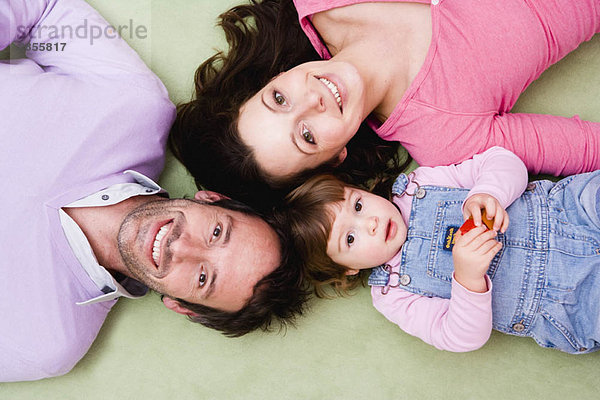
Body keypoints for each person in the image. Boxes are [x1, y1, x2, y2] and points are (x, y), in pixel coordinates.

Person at [0, 0, 306, 382]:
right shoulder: (135, 107)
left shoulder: (45, 343)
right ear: (212, 197)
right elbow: (44, 10)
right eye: (216, 232)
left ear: (182, 306)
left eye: (202, 279)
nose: (183, 248)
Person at [170, 0, 600, 210]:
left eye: (279, 99)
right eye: (306, 135)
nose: (313, 100)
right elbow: (585, 148)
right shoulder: (444, 138)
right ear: (334, 157)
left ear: (272, 78)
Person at [283, 146, 600, 353]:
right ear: (346, 269)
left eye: (359, 204)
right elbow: (459, 337)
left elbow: (502, 160)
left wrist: (488, 192)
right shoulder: (393, 296)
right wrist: (467, 279)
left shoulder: (420, 185)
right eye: (350, 239)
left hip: (567, 210)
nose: (371, 223)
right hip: (564, 301)